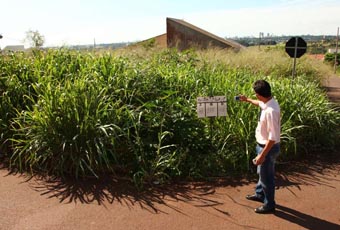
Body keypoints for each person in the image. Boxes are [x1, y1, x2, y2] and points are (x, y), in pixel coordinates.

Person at [239, 80, 281, 214]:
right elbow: (259, 103)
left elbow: (273, 138)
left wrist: (262, 155)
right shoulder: (268, 102)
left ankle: (269, 205)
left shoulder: (271, 111)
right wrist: (247, 100)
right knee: (261, 173)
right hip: (262, 146)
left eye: (255, 94)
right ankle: (260, 194)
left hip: (267, 148)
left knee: (267, 178)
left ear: (259, 94)